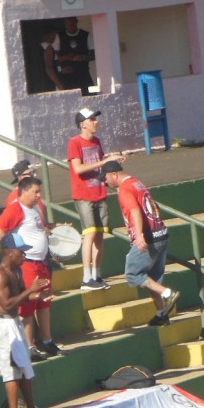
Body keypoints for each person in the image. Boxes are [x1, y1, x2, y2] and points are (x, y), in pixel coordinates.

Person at [102, 159, 181, 326]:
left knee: (133, 274)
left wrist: (139, 236)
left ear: (114, 174)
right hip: (161, 234)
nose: (105, 181)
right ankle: (161, 315)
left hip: (149, 237)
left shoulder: (124, 189)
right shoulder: (137, 182)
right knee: (151, 279)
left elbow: (134, 210)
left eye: (106, 178)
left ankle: (168, 293)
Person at [0, 176, 60, 360]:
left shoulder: (36, 208)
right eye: (35, 192)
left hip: (41, 261)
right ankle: (29, 346)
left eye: (39, 192)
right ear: (24, 191)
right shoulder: (16, 208)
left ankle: (47, 341)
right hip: (28, 263)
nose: (39, 195)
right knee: (29, 305)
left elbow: (40, 228)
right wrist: (11, 251)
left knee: (45, 302)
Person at [0, 233, 50, 408]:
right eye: (21, 251)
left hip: (15, 322)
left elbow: (22, 297)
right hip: (3, 325)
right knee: (12, 372)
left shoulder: (17, 271)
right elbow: (6, 304)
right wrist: (29, 291)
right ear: (9, 252)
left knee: (25, 369)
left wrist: (37, 296)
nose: (24, 255)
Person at [68, 107, 120, 291]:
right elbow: (78, 169)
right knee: (89, 233)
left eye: (95, 119)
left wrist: (114, 162)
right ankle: (86, 278)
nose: (95, 122)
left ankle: (97, 276)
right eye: (92, 119)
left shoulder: (97, 141)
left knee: (99, 235)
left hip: (100, 193)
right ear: (83, 124)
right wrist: (104, 162)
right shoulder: (74, 142)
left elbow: (101, 167)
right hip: (84, 195)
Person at [48, 17, 95, 95]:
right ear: (65, 24)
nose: (70, 26)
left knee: (90, 97)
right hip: (67, 76)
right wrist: (66, 57)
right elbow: (53, 58)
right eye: (68, 24)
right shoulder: (59, 36)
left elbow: (94, 55)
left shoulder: (86, 35)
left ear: (76, 22)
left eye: (72, 23)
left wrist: (84, 57)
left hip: (83, 75)